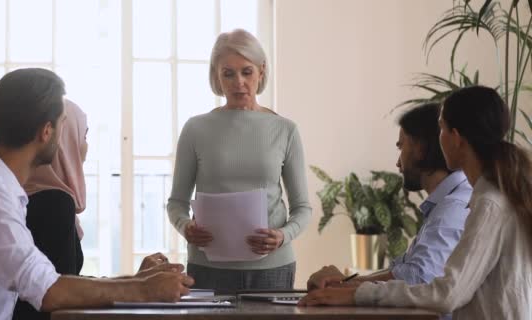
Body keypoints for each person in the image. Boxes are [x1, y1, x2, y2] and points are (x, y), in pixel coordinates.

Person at [0, 68, 193, 320]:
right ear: (46, 131)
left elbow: (48, 278)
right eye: (63, 124)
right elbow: (48, 291)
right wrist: (144, 290)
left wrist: (138, 282)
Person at [299, 86, 532, 320]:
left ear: (457, 138)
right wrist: (350, 287)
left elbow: (447, 293)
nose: (437, 138)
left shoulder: (489, 205)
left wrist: (358, 293)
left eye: (441, 128)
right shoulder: (492, 197)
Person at [167, 29, 311, 292]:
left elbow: (303, 208)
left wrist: (282, 236)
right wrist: (186, 227)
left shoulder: (285, 130)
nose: (238, 82)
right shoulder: (195, 129)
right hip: (208, 268)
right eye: (228, 73)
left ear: (261, 71)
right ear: (216, 76)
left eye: (247, 71)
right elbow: (176, 203)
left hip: (273, 268)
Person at [307, 103, 472, 319]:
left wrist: (351, 290)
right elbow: (405, 267)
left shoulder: (454, 207)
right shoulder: (447, 203)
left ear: (421, 149)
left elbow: (418, 277)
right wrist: (345, 284)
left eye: (401, 146)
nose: (397, 162)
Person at [13, 99, 173, 320]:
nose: (85, 146)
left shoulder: (23, 195)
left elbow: (61, 282)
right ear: (63, 140)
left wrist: (136, 280)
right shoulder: (54, 203)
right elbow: (60, 297)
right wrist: (141, 287)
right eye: (83, 136)